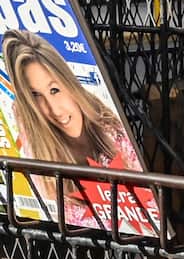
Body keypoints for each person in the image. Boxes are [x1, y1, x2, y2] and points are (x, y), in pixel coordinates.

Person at [3, 29, 141, 181]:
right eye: (35, 95)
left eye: (55, 90)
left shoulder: (110, 129)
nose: (54, 110)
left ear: (70, 83)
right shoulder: (36, 146)